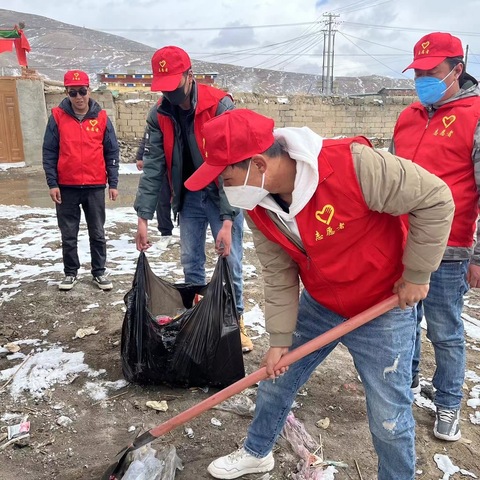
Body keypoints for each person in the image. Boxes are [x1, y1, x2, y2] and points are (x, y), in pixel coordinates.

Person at [184, 109, 454, 480]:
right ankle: (257, 451)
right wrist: (279, 338)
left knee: (388, 418)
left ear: (259, 164)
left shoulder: (353, 165)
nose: (224, 191)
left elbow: (436, 198)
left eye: (226, 179)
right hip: (321, 303)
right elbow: (279, 272)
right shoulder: (260, 204)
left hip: (382, 307)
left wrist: (417, 273)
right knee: (274, 377)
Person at [390, 31, 480, 442]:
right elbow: (388, 179)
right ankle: (406, 385)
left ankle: (447, 405)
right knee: (403, 321)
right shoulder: (409, 115)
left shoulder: (476, 115)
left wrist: (479, 256)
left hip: (450, 247)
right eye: (418, 72)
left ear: (457, 71)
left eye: (433, 72)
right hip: (402, 242)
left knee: (444, 330)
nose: (423, 79)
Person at [134, 45, 253, 352]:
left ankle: (235, 320)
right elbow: (154, 167)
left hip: (220, 195)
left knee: (231, 260)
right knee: (191, 262)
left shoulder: (220, 105)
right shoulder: (159, 114)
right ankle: (198, 319)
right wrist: (143, 217)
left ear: (190, 75)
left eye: (175, 85)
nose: (171, 94)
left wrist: (228, 219)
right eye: (164, 87)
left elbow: (235, 163)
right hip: (188, 197)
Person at [42, 69, 119, 291]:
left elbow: (111, 152)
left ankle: (99, 272)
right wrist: (52, 183)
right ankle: (70, 273)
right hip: (66, 187)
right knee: (68, 233)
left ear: (89, 90)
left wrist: (112, 183)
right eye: (73, 92)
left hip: (94, 186)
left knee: (97, 232)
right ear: (66, 93)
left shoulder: (102, 117)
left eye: (82, 91)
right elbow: (49, 152)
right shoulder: (57, 117)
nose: (78, 97)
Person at [135, 128, 174, 247]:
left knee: (185, 202)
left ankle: (188, 233)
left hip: (180, 167)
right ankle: (165, 233)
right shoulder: (156, 116)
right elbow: (148, 137)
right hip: (161, 166)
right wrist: (140, 155)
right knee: (162, 201)